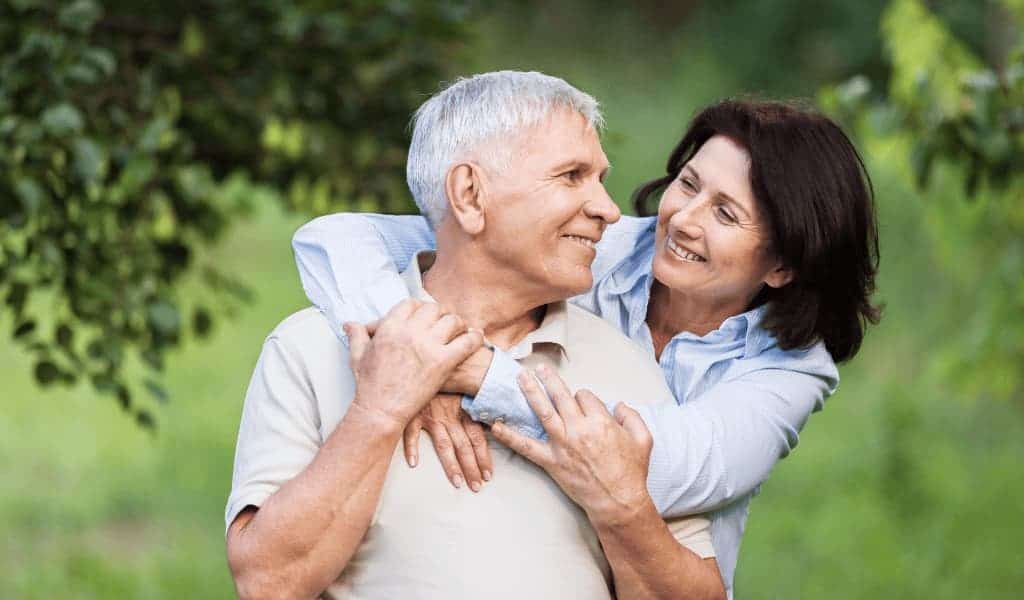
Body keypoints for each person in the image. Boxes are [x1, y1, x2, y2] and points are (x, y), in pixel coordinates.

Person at [292, 89, 881, 597]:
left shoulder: (792, 370)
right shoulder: (592, 246)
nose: (682, 219)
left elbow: (652, 466)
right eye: (689, 184)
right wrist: (417, 346)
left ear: (781, 265)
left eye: (725, 214)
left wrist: (473, 373)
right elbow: (335, 240)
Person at [226, 71, 726, 599]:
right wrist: (379, 411)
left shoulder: (625, 366)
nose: (607, 209)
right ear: (469, 194)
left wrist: (624, 507)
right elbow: (267, 584)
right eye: (572, 176)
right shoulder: (310, 348)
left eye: (600, 179)